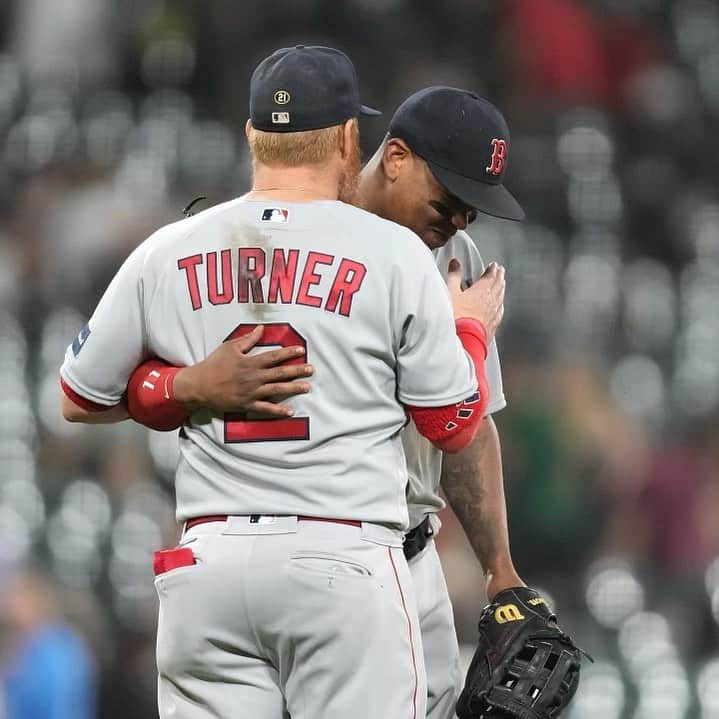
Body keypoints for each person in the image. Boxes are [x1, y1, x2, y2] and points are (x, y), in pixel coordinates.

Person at [60, 46, 506, 719]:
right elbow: (452, 423)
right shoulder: (398, 255)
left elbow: (76, 395)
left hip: (206, 565)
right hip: (343, 559)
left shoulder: (172, 246)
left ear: (251, 136)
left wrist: (183, 386)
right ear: (352, 139)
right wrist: (468, 329)